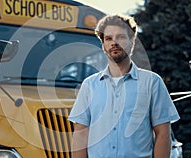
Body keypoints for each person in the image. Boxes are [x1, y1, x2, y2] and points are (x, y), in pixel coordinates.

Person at [68, 14, 180, 158]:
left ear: (132, 41)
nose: (114, 42)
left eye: (120, 37)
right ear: (103, 44)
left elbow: (163, 133)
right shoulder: (89, 85)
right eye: (108, 38)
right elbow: (80, 137)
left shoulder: (152, 82)